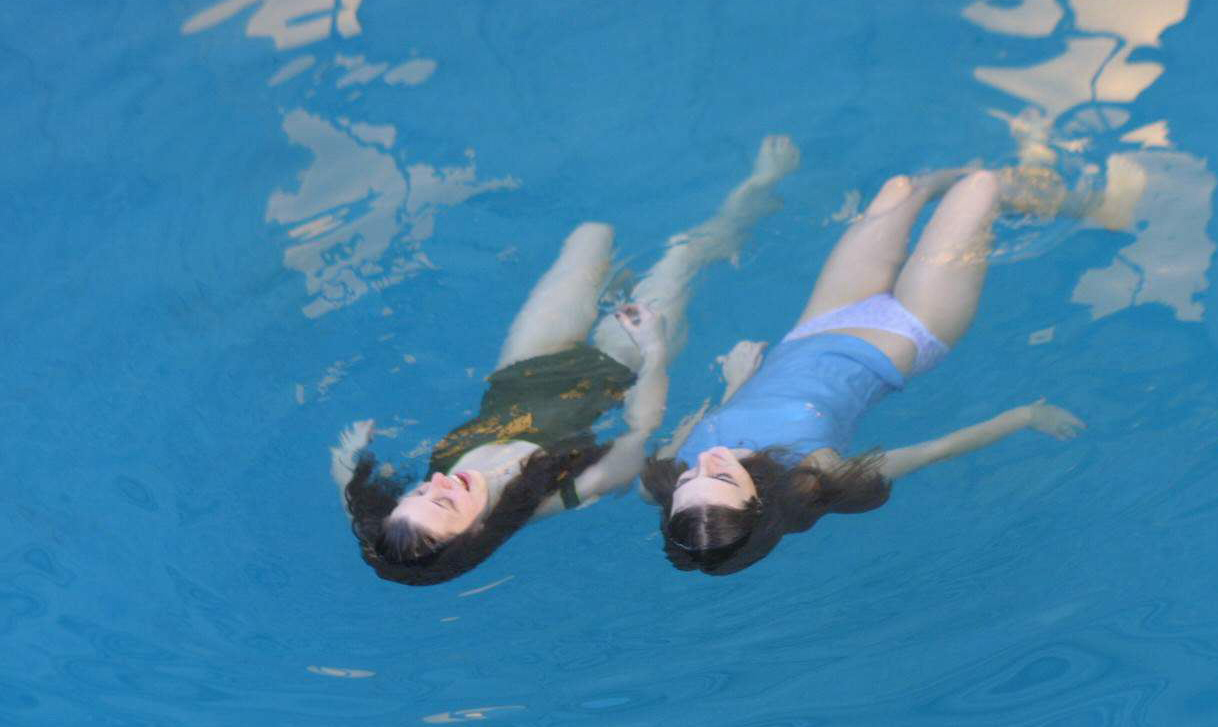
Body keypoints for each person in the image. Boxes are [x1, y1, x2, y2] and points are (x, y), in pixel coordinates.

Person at [332, 136, 799, 585]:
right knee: (682, 254)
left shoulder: (411, 513)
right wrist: (653, 348)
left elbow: (360, 505)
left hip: (523, 368)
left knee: (591, 238)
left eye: (419, 492)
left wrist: (348, 458)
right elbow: (641, 433)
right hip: (614, 370)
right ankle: (758, 189)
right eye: (445, 503)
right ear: (476, 533)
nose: (436, 483)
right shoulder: (562, 493)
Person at [643, 166, 1084, 575]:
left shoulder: (669, 469)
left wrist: (738, 382)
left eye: (689, 480)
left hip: (820, 322)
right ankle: (1087, 205)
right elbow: (934, 450)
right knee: (980, 187)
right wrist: (1024, 417)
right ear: (757, 503)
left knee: (904, 188)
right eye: (720, 477)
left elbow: (727, 423)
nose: (705, 461)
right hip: (914, 329)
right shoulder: (817, 473)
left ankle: (1034, 190)